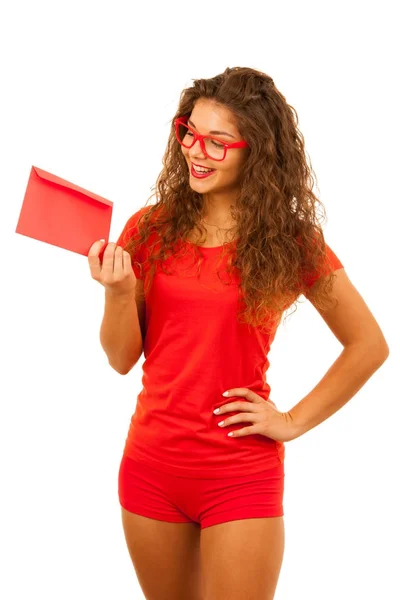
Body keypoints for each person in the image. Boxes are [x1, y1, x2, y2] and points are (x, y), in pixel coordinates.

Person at [88, 66, 389, 600]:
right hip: (151, 467)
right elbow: (119, 358)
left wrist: (292, 421)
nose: (196, 151)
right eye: (189, 132)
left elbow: (368, 345)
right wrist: (116, 291)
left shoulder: (291, 241)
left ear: (259, 151)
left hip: (239, 473)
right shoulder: (151, 228)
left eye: (218, 141)